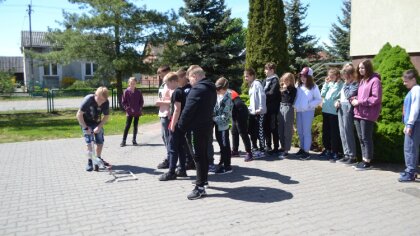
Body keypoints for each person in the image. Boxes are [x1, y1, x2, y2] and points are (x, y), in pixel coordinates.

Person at [177, 66, 216, 200]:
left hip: (195, 129)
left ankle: (200, 188)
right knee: (203, 155)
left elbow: (188, 110)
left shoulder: (197, 90)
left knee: (198, 157)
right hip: (206, 126)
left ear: (195, 76)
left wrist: (180, 127)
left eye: (190, 79)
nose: (189, 82)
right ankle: (203, 181)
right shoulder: (211, 88)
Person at [351, 59, 382, 170]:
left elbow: (375, 98)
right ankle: (364, 159)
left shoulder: (375, 81)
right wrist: (354, 99)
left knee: (366, 138)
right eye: (359, 68)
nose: (360, 70)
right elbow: (358, 96)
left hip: (368, 114)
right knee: (360, 137)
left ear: (368, 68)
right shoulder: (362, 80)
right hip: (358, 113)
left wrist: (360, 101)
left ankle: (368, 161)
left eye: (363, 68)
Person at [159, 72, 190, 181]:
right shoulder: (181, 91)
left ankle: (171, 172)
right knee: (181, 148)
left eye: (167, 84)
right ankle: (182, 169)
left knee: (172, 148)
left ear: (173, 82)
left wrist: (172, 124)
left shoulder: (176, 92)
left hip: (176, 124)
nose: (167, 87)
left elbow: (177, 109)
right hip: (181, 124)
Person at [76, 86, 110, 171]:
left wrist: (99, 127)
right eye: (99, 99)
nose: (101, 102)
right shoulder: (88, 100)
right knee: (89, 143)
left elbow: (106, 116)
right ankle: (90, 161)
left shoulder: (106, 102)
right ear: (96, 95)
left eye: (103, 100)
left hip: (96, 122)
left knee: (100, 141)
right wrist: (85, 127)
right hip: (85, 122)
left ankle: (98, 158)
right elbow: (78, 115)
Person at [294, 67, 322, 160]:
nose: (302, 77)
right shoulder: (298, 85)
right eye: (301, 75)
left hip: (308, 112)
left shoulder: (314, 87)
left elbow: (318, 99)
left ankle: (306, 151)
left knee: (306, 132)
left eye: (305, 76)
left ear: (309, 77)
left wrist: (309, 105)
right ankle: (302, 148)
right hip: (299, 111)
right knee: (300, 131)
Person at [336, 64, 359, 165]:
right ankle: (346, 154)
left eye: (345, 74)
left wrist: (345, 85)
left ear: (350, 74)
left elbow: (349, 95)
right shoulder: (345, 84)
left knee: (347, 131)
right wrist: (337, 101)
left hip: (348, 108)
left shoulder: (354, 84)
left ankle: (352, 156)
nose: (343, 76)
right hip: (341, 107)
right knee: (342, 131)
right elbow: (341, 96)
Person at [399, 70, 420, 181]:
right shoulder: (414, 90)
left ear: (413, 80)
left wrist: (410, 124)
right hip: (413, 124)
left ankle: (410, 172)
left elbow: (415, 109)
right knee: (412, 148)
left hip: (414, 124)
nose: (404, 83)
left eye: (406, 81)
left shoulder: (416, 90)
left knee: (410, 148)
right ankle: (413, 170)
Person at [319, 68, 344, 161]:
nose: (330, 77)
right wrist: (325, 83)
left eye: (332, 76)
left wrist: (337, 84)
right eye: (329, 76)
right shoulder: (329, 83)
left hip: (334, 112)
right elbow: (322, 93)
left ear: (337, 75)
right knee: (326, 132)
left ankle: (335, 151)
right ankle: (327, 149)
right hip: (326, 110)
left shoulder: (341, 84)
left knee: (334, 133)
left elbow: (339, 96)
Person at [245, 68, 267, 159]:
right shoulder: (251, 85)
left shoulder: (257, 84)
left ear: (252, 76)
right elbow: (252, 100)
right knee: (252, 131)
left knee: (260, 131)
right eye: (245, 76)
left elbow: (262, 96)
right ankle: (255, 148)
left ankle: (262, 150)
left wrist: (261, 108)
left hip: (259, 112)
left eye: (247, 76)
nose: (245, 78)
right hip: (253, 112)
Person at [213, 77, 234, 174]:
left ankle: (227, 166)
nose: (216, 91)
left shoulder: (227, 98)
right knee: (221, 145)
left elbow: (226, 116)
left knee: (225, 145)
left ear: (224, 88)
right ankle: (222, 161)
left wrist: (213, 118)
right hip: (218, 125)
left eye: (218, 89)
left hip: (223, 126)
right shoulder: (219, 95)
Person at [156, 65, 173, 169]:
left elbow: (173, 99)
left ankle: (170, 158)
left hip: (168, 113)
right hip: (162, 113)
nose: (161, 77)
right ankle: (169, 156)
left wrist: (161, 102)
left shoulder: (171, 83)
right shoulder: (163, 84)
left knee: (168, 137)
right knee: (164, 136)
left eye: (162, 75)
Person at [277, 72, 297, 159]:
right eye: (284, 80)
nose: (285, 82)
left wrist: (286, 90)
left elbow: (290, 100)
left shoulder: (293, 89)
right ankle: (283, 147)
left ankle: (286, 150)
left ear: (291, 80)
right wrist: (283, 90)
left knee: (287, 130)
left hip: (288, 108)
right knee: (280, 130)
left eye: (287, 80)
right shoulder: (282, 88)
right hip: (281, 107)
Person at [263, 62, 281, 154]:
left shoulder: (275, 80)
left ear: (272, 70)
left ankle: (276, 147)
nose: (264, 71)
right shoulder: (266, 80)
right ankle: (268, 146)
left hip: (273, 108)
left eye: (266, 69)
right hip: (266, 108)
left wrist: (262, 95)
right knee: (266, 127)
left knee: (273, 127)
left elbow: (271, 93)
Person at [230, 89, 253, 162]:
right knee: (234, 131)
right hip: (235, 111)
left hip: (241, 111)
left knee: (243, 133)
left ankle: (249, 153)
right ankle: (235, 151)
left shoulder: (227, 92)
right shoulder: (221, 92)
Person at [121, 77, 144, 147]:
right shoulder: (126, 92)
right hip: (129, 111)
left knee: (135, 126)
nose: (132, 85)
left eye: (134, 83)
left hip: (137, 111)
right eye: (131, 83)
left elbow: (141, 101)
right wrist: (127, 108)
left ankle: (134, 140)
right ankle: (123, 141)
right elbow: (123, 102)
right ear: (129, 83)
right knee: (127, 126)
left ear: (136, 84)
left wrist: (139, 108)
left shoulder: (138, 92)